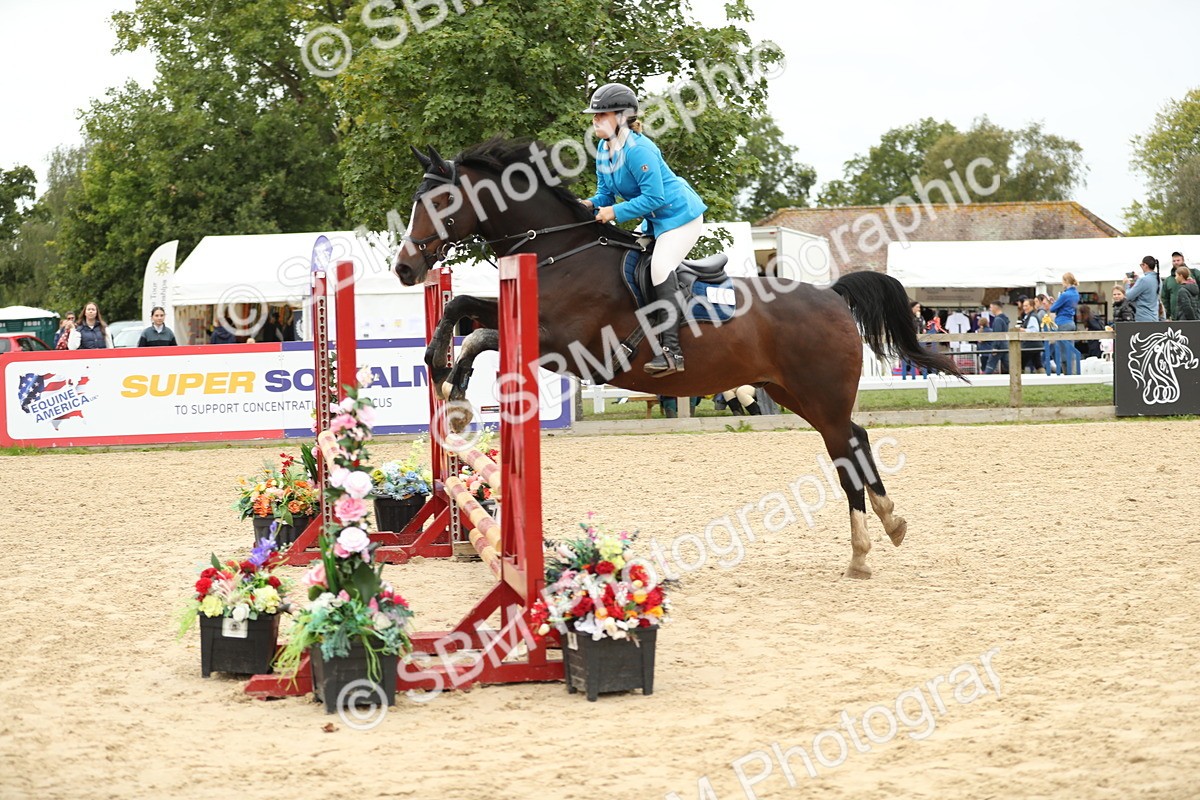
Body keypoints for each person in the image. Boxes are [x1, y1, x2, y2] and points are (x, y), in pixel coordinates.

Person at [581, 83, 707, 377]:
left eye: (602, 114)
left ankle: (672, 352)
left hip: (680, 216)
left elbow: (655, 198)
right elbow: (605, 196)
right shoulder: (603, 149)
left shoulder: (640, 150)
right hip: (653, 220)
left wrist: (613, 213)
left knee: (660, 268)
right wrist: (586, 204)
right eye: (594, 115)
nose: (595, 120)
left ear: (622, 117)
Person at [1048, 273, 1080, 375]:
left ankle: (1068, 374)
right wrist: (1057, 302)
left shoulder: (1065, 294)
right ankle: (1073, 373)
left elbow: (1052, 309)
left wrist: (1055, 302)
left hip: (1062, 322)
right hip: (1071, 322)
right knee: (1070, 349)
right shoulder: (1076, 294)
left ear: (1066, 281)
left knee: (1063, 352)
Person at [1161, 252, 1200, 320]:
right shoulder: (1168, 280)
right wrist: (1169, 314)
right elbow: (1165, 298)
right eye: (1174, 261)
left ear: (1183, 260)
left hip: (1194, 316)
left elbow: (1187, 306)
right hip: (1176, 317)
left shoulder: (1194, 273)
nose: (1176, 262)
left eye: (1178, 260)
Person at [1126, 256, 1161, 322]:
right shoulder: (1158, 279)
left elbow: (1128, 296)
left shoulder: (1143, 280)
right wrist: (1137, 280)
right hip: (1154, 317)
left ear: (1145, 265)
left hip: (1143, 318)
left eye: (1141, 265)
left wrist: (1127, 284)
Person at [900, 301, 927, 379]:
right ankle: (906, 374)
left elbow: (923, 328)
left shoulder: (920, 318)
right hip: (908, 340)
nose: (919, 309)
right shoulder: (907, 317)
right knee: (907, 357)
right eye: (917, 307)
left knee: (921, 357)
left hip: (920, 340)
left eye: (919, 307)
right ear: (912, 308)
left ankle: (922, 373)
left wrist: (919, 321)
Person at [984, 301, 1009, 374]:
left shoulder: (997, 320)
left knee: (991, 364)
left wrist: (995, 347)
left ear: (995, 307)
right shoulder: (1004, 318)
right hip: (1005, 344)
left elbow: (997, 334)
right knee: (1008, 364)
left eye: (991, 307)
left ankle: (985, 380)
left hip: (999, 345)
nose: (990, 309)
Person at [1018, 297, 1042, 372]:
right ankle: (1044, 378)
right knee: (1038, 364)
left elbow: (1035, 330)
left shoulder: (1032, 317)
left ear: (1032, 306)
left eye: (1026, 306)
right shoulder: (1029, 316)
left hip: (1029, 345)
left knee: (1020, 363)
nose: (1024, 308)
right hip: (1035, 344)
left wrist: (1023, 330)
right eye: (1024, 306)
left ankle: (1018, 378)